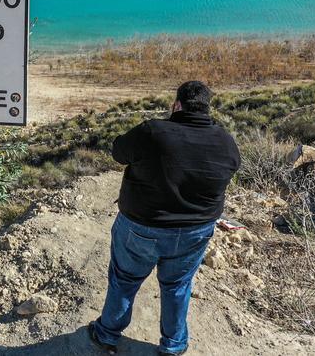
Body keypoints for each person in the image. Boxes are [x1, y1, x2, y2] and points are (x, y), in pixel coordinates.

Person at [89, 81, 241, 355]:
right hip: (195, 231)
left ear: (177, 105)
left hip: (141, 226)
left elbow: (118, 152)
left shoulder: (153, 131)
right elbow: (228, 172)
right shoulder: (225, 141)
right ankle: (173, 346)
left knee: (124, 280)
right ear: (208, 109)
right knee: (178, 286)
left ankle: (107, 334)